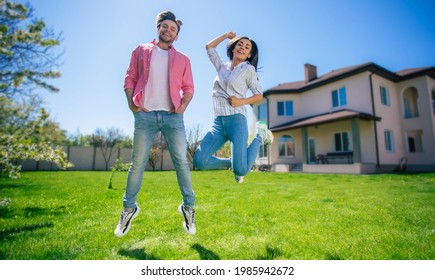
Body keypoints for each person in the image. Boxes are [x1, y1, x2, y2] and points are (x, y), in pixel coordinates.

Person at [114, 11, 196, 237]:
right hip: (145, 115)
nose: (168, 31)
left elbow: (189, 88)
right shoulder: (140, 51)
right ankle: (129, 209)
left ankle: (188, 208)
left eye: (173, 29)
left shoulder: (183, 60)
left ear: (177, 36)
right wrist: (131, 103)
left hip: (172, 117)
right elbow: (129, 77)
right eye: (165, 26)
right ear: (158, 27)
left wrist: (181, 109)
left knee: (181, 161)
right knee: (137, 162)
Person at [193, 32, 273, 183]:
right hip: (218, 123)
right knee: (200, 162)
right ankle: (233, 162)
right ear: (234, 48)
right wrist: (226, 36)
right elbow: (209, 47)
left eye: (247, 47)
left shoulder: (248, 70)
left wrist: (240, 101)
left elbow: (258, 95)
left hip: (237, 121)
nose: (242, 48)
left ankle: (260, 136)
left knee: (241, 170)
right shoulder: (222, 67)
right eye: (239, 44)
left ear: (249, 54)